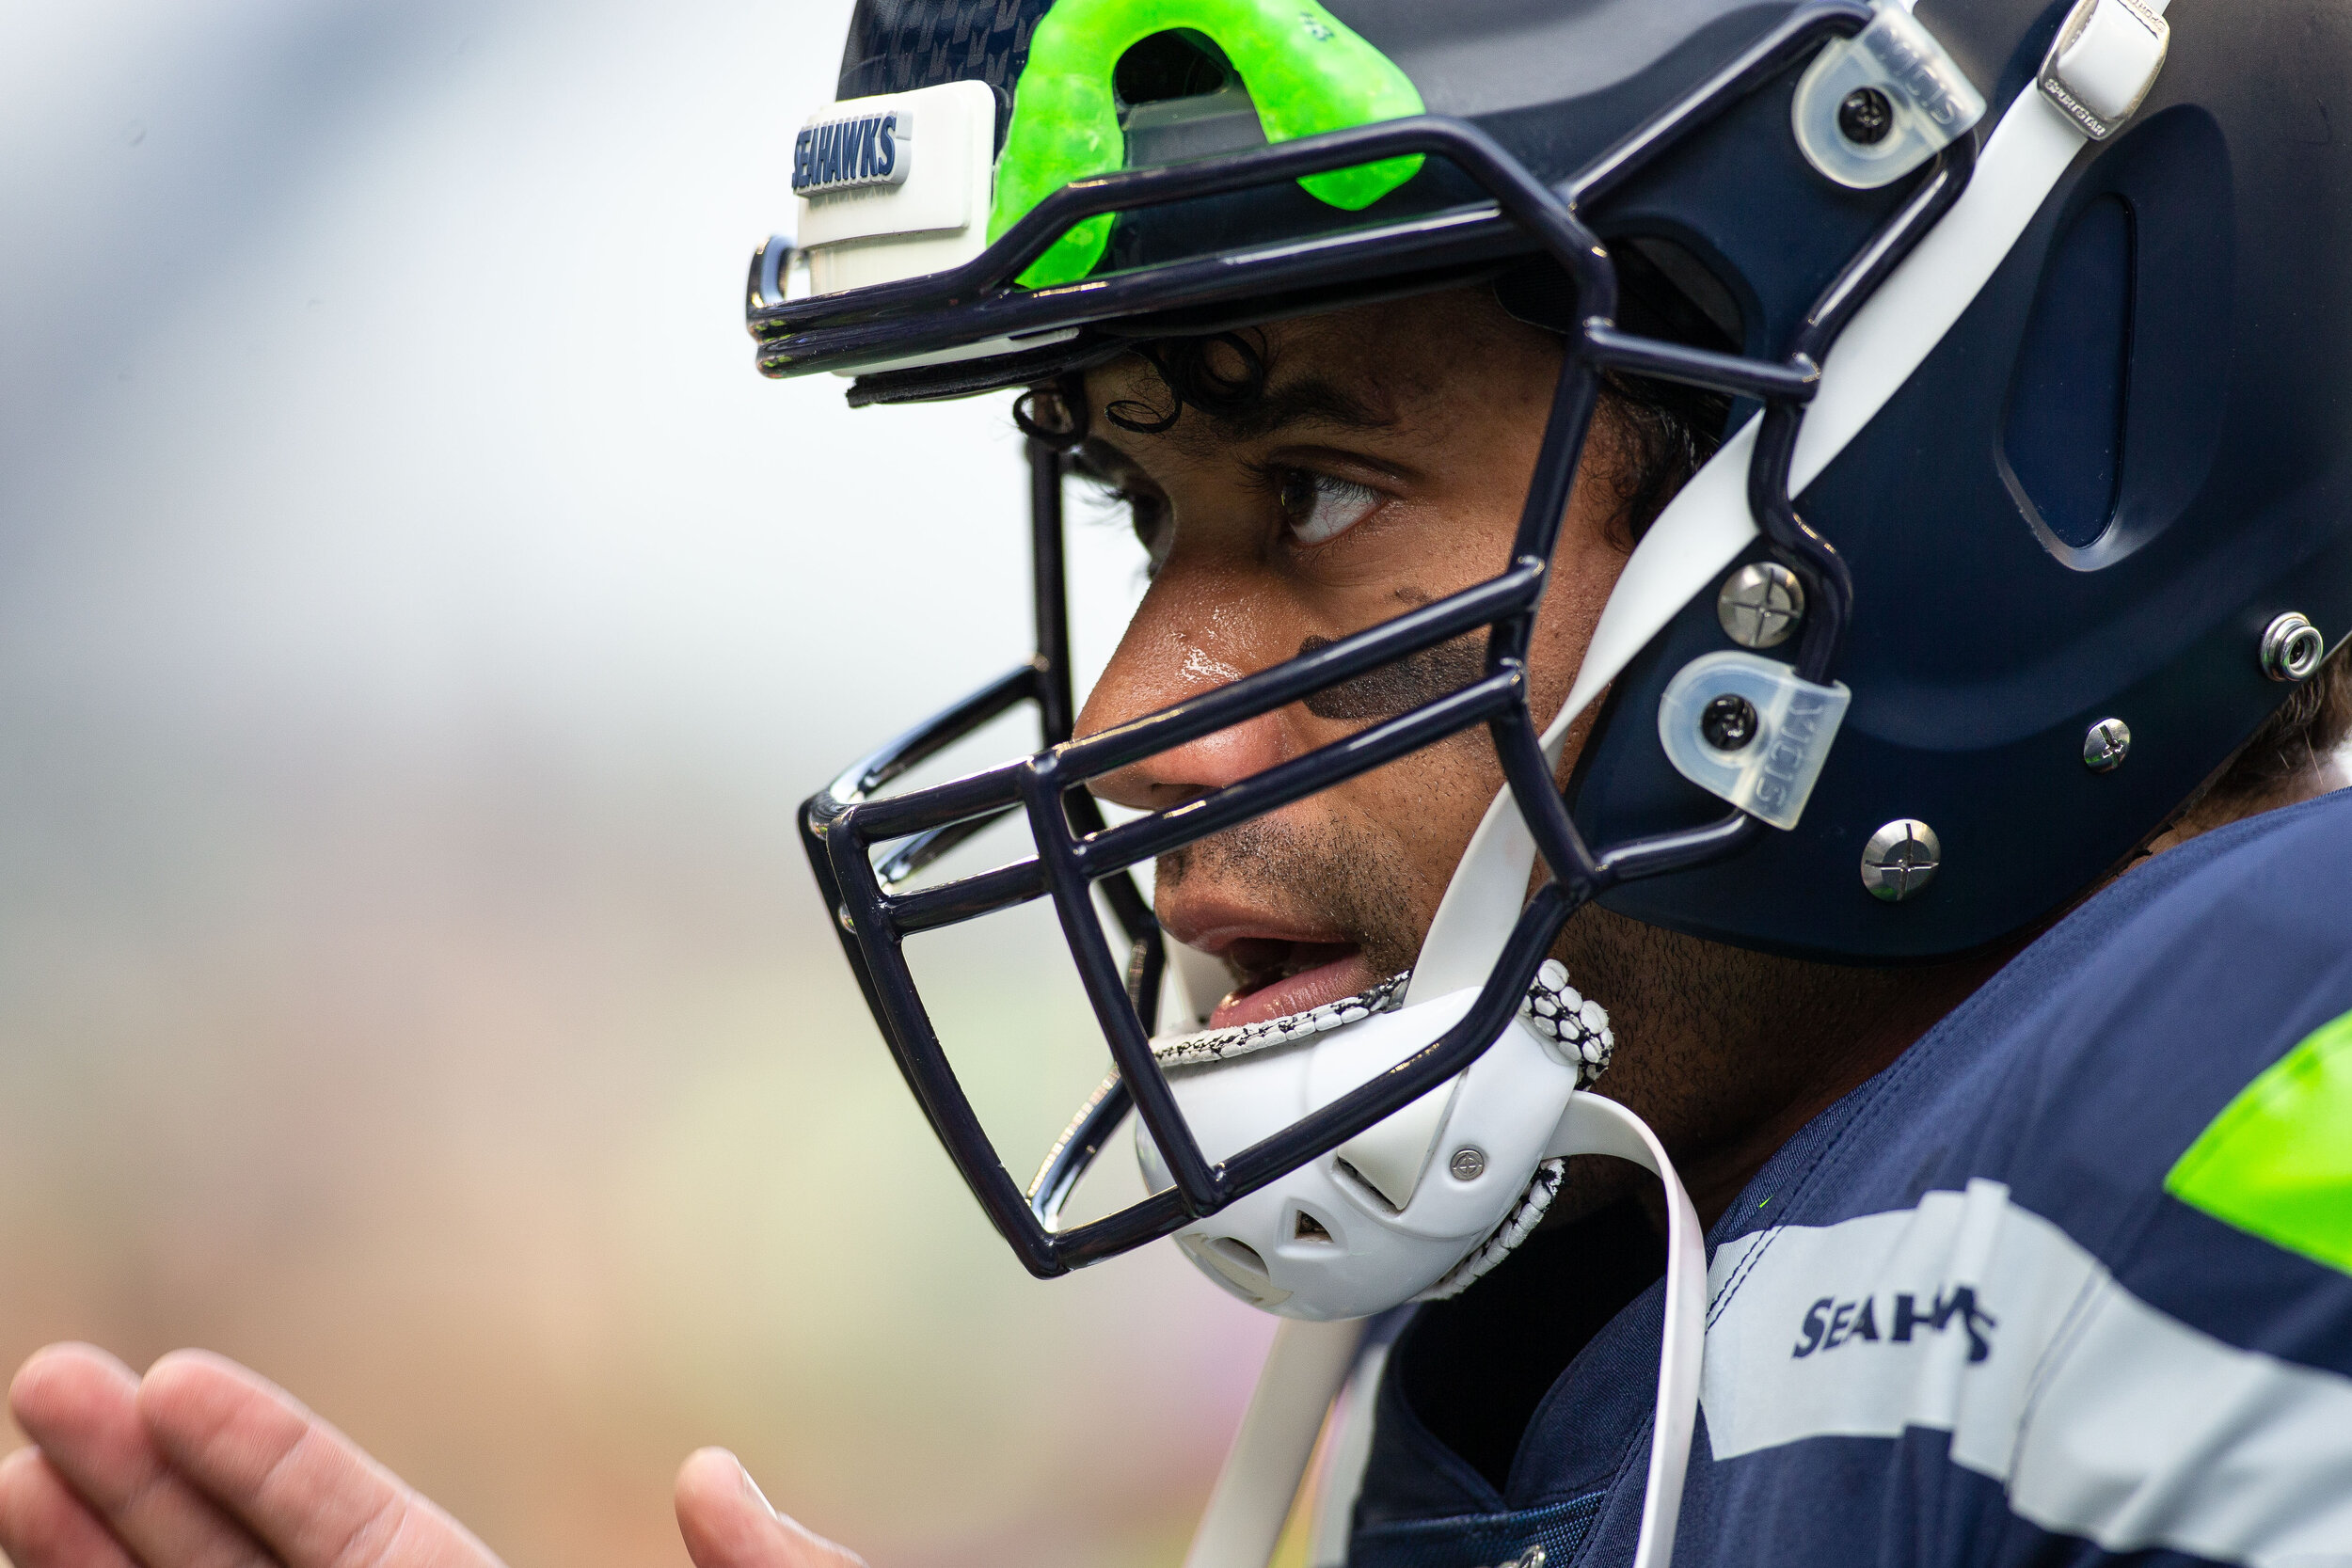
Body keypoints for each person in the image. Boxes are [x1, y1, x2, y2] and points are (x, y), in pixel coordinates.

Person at [8, 0, 2352, 1565]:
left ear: (1969, 492)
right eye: (1145, 517)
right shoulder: (1548, 1317)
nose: (1151, 715)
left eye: (1314, 491)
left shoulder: (2234, 1079)